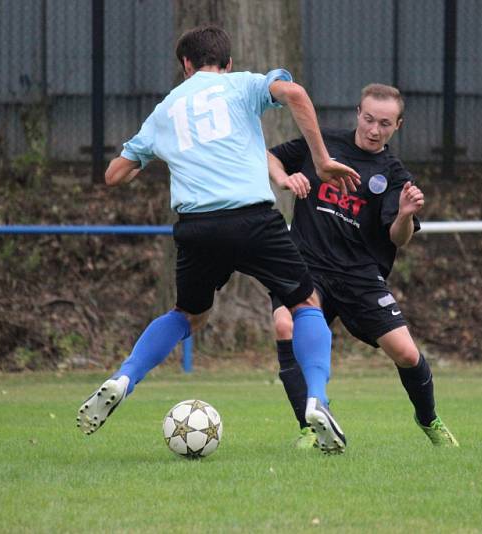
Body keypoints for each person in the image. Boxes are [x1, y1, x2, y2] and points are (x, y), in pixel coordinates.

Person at [76, 25, 360, 455]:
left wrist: (143, 158)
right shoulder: (240, 84)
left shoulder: (164, 110)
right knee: (305, 304)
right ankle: (316, 399)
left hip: (196, 228)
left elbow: (114, 174)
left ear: (185, 66)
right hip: (252, 219)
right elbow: (296, 94)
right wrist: (321, 160)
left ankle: (125, 376)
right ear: (225, 63)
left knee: (189, 315)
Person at [267, 84, 459, 449]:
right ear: (358, 112)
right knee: (284, 324)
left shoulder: (395, 176)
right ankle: (311, 427)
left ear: (397, 126)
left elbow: (399, 239)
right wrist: (283, 178)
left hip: (359, 276)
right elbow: (270, 156)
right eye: (369, 119)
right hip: (307, 264)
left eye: (384, 123)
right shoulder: (322, 145)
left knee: (405, 352)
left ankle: (429, 419)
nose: (374, 129)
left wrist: (404, 214)